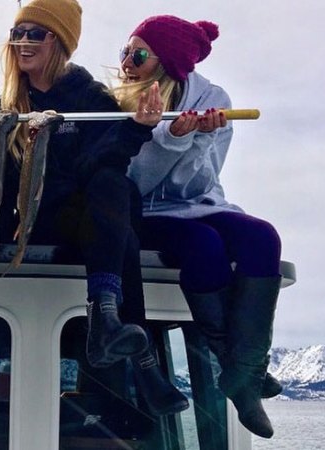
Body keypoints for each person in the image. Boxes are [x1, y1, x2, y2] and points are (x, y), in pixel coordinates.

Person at [0, 0, 188, 416]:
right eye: (18, 33)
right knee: (120, 226)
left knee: (112, 189)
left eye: (36, 33)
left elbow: (103, 163)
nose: (23, 42)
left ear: (60, 41)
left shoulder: (88, 96)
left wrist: (137, 129)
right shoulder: (7, 106)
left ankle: (106, 316)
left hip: (81, 213)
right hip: (32, 218)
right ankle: (142, 364)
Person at [117, 15, 282, 438]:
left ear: (166, 62)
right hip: (148, 212)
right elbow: (136, 184)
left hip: (197, 202)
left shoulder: (213, 98)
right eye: (125, 51)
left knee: (263, 238)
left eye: (137, 54)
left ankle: (244, 370)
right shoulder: (119, 103)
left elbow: (198, 185)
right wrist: (170, 138)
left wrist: (202, 139)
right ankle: (241, 378)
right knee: (203, 246)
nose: (126, 63)